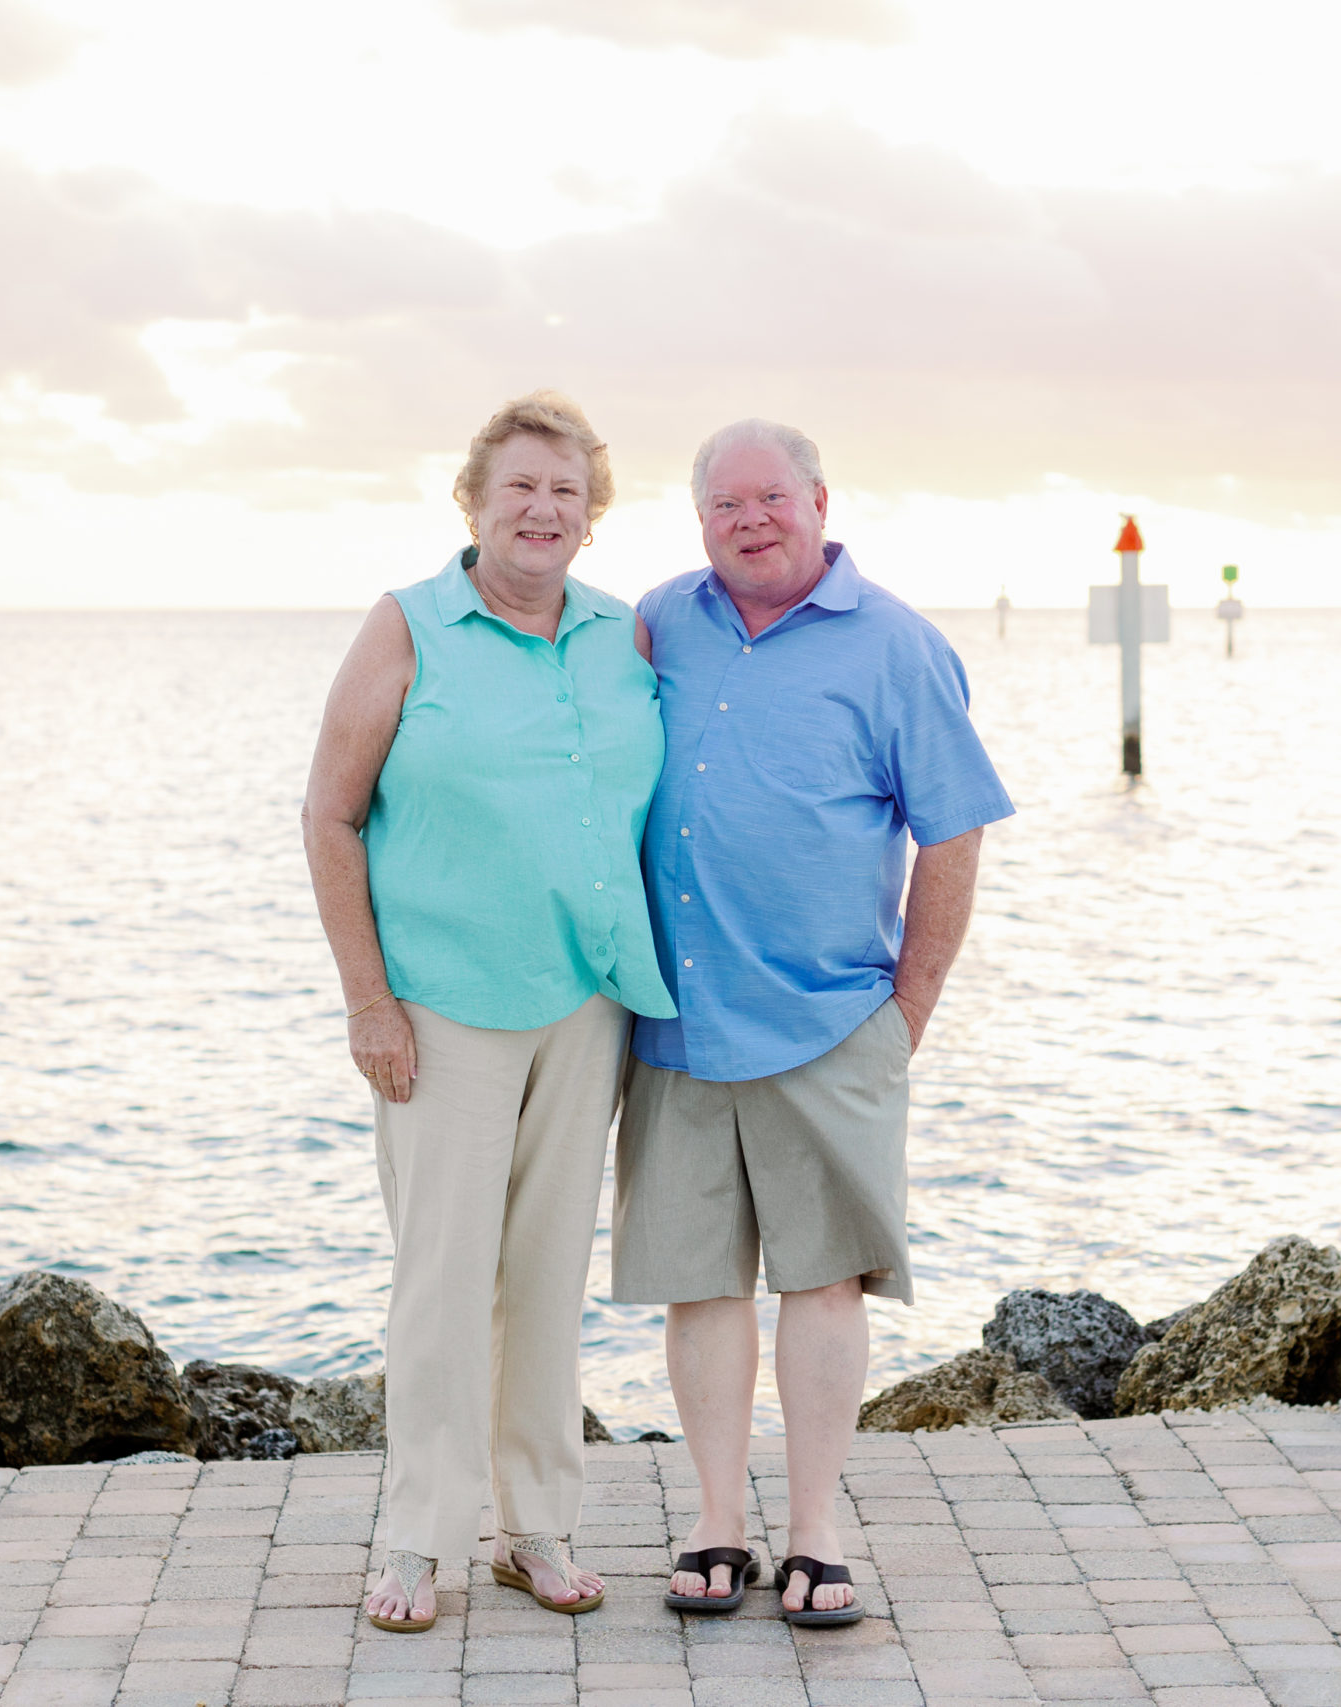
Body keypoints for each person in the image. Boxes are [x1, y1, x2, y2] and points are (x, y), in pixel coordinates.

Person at [616, 418, 1014, 1625]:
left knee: (826, 1283)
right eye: (725, 504)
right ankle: (716, 1524)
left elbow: (952, 831)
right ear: (699, 522)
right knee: (699, 1287)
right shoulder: (655, 624)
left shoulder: (897, 646)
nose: (750, 519)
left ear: (820, 502)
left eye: (771, 498)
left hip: (832, 1018)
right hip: (675, 1022)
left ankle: (813, 1531)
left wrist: (910, 1010)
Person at [302, 391, 677, 1634]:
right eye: (519, 486)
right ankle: (417, 1540)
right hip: (443, 1008)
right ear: (473, 501)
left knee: (544, 1276)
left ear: (592, 517)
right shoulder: (409, 626)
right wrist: (370, 1003)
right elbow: (330, 815)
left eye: (565, 491)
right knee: (444, 1282)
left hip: (586, 1004)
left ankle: (536, 1528)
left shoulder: (627, 640)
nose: (541, 509)